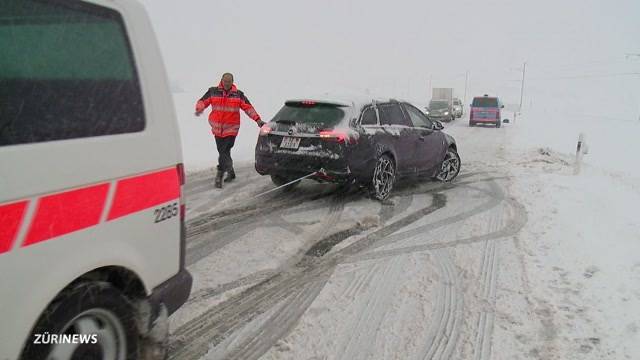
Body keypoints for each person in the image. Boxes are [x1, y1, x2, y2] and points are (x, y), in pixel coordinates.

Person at [195, 73, 265, 188]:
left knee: (224, 151)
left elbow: (248, 108)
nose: (227, 83)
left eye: (229, 81)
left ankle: (219, 175)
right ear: (221, 80)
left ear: (232, 82)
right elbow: (202, 101)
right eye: (225, 81)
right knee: (224, 152)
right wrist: (199, 108)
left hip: (231, 130)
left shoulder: (238, 95)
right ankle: (231, 171)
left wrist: (257, 120)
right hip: (217, 129)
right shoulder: (213, 91)